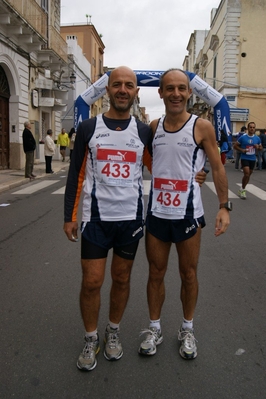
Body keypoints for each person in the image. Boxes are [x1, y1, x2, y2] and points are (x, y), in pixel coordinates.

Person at [63, 66, 207, 372]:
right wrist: (69, 216)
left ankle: (112, 333)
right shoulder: (89, 127)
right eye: (117, 84)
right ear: (108, 89)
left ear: (137, 92)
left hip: (130, 221)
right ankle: (91, 339)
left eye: (129, 85)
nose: (123, 90)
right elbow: (75, 173)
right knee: (91, 282)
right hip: (94, 219)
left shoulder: (144, 132)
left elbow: (163, 167)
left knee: (122, 279)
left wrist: (197, 174)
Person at [138, 68, 230, 361]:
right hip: (157, 216)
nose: (176, 93)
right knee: (155, 272)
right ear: (161, 93)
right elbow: (150, 161)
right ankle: (154, 327)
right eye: (170, 88)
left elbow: (216, 166)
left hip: (189, 215)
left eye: (181, 88)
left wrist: (224, 207)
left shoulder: (201, 127)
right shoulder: (152, 127)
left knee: (188, 273)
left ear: (190, 93)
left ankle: (187, 328)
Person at [234, 121, 262, 199]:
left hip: (253, 158)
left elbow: (261, 148)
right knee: (246, 173)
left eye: (253, 127)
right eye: (251, 127)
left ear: (255, 129)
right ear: (248, 128)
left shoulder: (257, 138)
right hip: (244, 157)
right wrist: (242, 150)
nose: (252, 129)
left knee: (248, 175)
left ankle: (242, 187)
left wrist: (258, 147)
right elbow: (235, 146)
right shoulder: (243, 137)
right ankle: (243, 190)